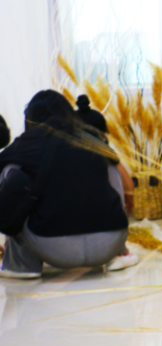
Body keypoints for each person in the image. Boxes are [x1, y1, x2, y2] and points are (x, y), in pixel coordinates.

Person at [0, 91, 134, 279]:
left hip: (55, 248)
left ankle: (22, 266)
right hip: (109, 243)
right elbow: (124, 181)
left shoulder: (28, 142)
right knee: (109, 167)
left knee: (12, 170)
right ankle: (120, 253)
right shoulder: (92, 139)